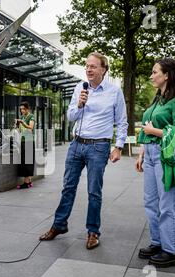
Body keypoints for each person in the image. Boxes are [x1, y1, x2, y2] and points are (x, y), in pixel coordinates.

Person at [39, 52, 128, 250]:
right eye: (87, 66)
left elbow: (122, 122)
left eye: (93, 66)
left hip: (99, 146)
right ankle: (59, 225)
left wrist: (119, 147)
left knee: (94, 191)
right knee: (68, 187)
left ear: (103, 69)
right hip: (76, 144)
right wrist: (80, 103)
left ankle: (93, 231)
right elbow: (71, 116)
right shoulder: (80, 87)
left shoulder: (114, 92)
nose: (88, 69)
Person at [136, 58, 175, 268]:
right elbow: (146, 129)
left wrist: (153, 132)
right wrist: (141, 152)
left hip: (165, 156)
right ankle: (158, 243)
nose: (152, 76)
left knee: (168, 203)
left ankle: (171, 250)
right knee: (151, 202)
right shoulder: (158, 100)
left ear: (166, 75)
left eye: (155, 72)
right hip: (149, 153)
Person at [16, 101, 35, 189]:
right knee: (24, 161)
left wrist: (22, 123)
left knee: (27, 162)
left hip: (29, 141)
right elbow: (20, 130)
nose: (22, 111)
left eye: (23, 109)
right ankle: (29, 181)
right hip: (23, 141)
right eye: (21, 109)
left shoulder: (31, 116)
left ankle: (26, 183)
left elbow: (31, 128)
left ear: (27, 108)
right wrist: (17, 125)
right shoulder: (22, 117)